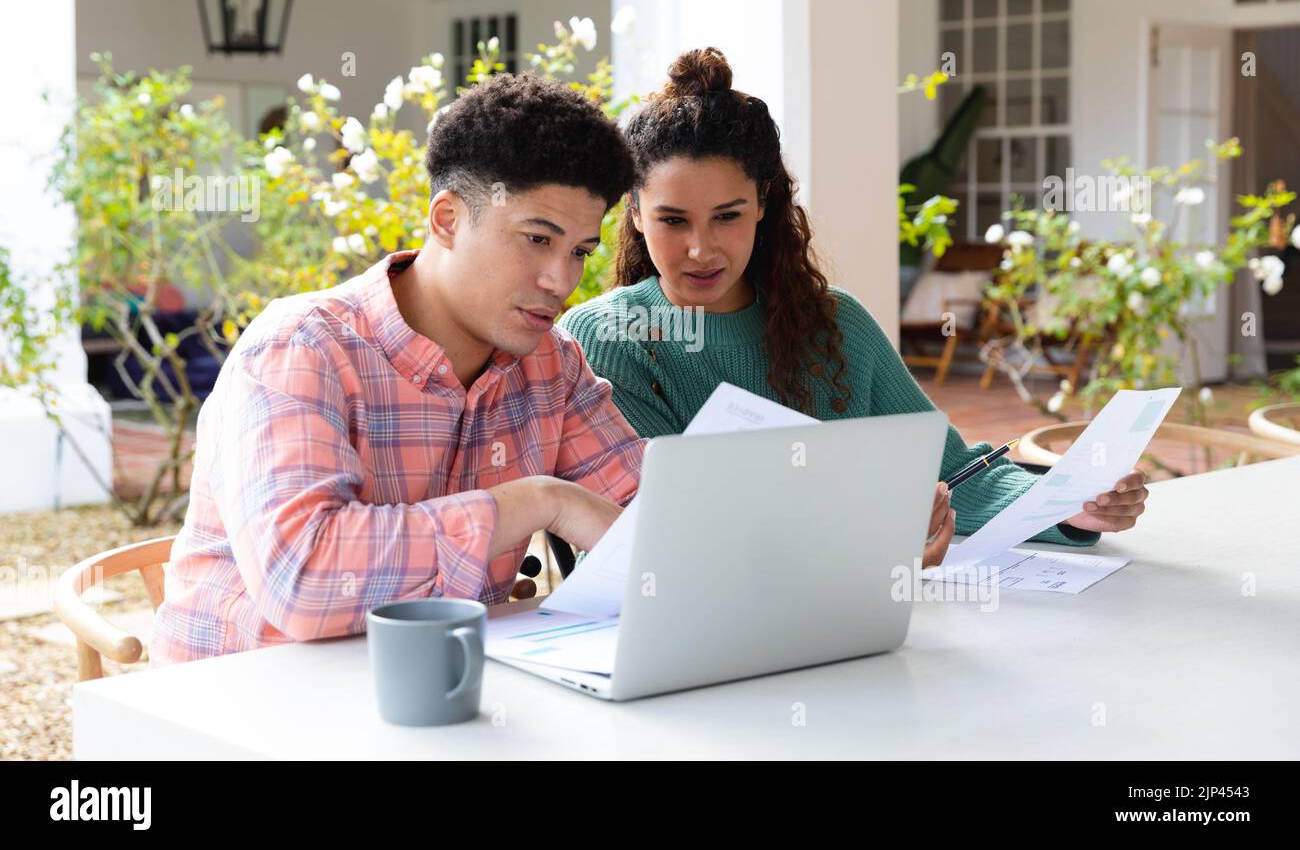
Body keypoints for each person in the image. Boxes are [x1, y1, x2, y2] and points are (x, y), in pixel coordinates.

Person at [559, 47, 1148, 568]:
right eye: (672, 219)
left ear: (762, 204)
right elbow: (676, 525)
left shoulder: (836, 324)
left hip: (845, 626)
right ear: (634, 211)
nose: (701, 248)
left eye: (728, 216)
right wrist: (873, 546)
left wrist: (1070, 509)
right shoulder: (608, 337)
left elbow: (948, 472)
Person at [151, 73, 644, 665]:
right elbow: (303, 581)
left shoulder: (550, 364)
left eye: (580, 252)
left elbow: (652, 515)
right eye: (538, 239)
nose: (561, 281)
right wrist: (539, 502)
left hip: (433, 693)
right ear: (447, 220)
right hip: (241, 705)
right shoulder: (301, 348)